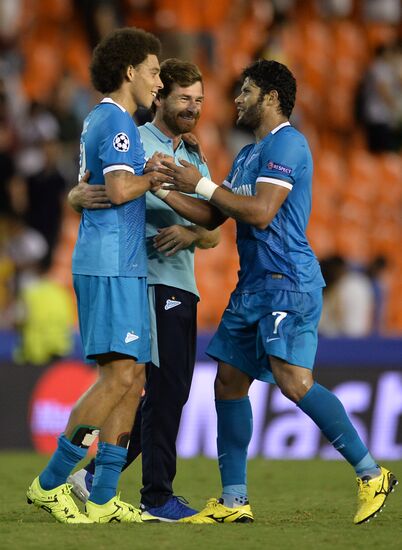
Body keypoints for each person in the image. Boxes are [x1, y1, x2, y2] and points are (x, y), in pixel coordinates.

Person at [153, 59, 397, 525]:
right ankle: (233, 501)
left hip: (287, 280)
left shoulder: (290, 143)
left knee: (292, 381)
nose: (237, 99)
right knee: (227, 382)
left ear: (270, 96)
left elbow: (262, 212)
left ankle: (371, 474)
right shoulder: (248, 154)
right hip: (253, 286)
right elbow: (211, 216)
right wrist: (166, 187)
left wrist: (200, 182)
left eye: (245, 91)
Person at [66, 58, 220, 522]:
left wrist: (192, 234)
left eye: (198, 100)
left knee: (164, 390)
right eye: (183, 98)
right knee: (157, 387)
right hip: (147, 278)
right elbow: (104, 189)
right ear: (161, 96)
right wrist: (76, 196)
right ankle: (153, 493)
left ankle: (94, 477)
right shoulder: (136, 139)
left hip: (184, 281)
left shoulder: (194, 154)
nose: (192, 108)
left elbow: (214, 230)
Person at [26, 27, 165, 524]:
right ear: (129, 72)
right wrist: (158, 175)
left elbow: (98, 187)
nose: (158, 82)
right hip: (109, 263)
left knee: (134, 376)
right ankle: (50, 482)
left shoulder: (109, 120)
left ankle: (104, 495)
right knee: (117, 375)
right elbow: (121, 188)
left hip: (123, 263)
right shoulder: (116, 121)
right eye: (153, 71)